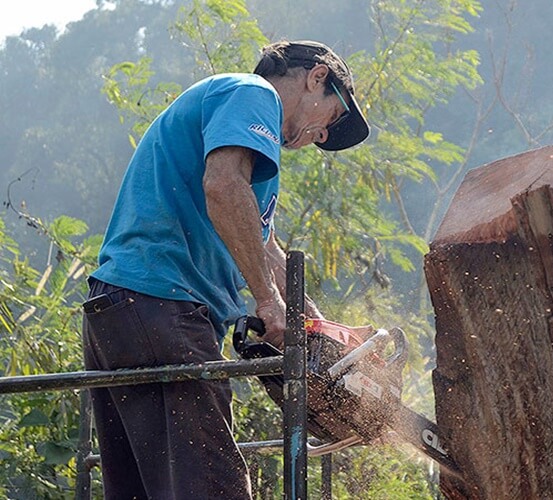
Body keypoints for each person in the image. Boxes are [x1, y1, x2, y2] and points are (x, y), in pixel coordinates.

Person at [81, 40, 369, 499]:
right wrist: (268, 302)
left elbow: (265, 247)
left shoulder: (251, 146)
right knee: (213, 486)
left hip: (122, 309)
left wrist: (315, 325)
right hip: (163, 305)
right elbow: (222, 186)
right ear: (317, 77)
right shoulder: (253, 92)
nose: (319, 137)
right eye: (329, 120)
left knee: (144, 490)